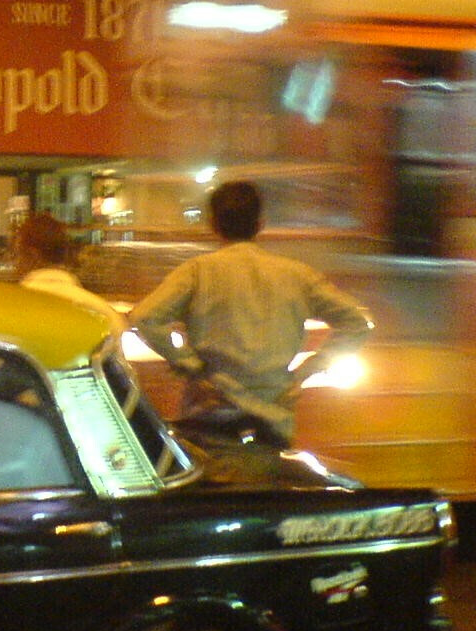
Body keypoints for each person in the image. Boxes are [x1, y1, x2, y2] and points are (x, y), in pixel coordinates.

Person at [128, 180, 373, 447]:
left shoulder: (197, 272)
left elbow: (144, 317)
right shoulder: (298, 275)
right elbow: (356, 323)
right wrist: (307, 371)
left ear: (213, 224)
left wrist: (190, 366)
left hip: (209, 414)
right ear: (260, 223)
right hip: (273, 419)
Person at [12, 212, 125, 329]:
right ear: (66, 254)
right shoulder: (107, 316)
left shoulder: (9, 312)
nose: (15, 263)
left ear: (30, 255)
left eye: (16, 254)